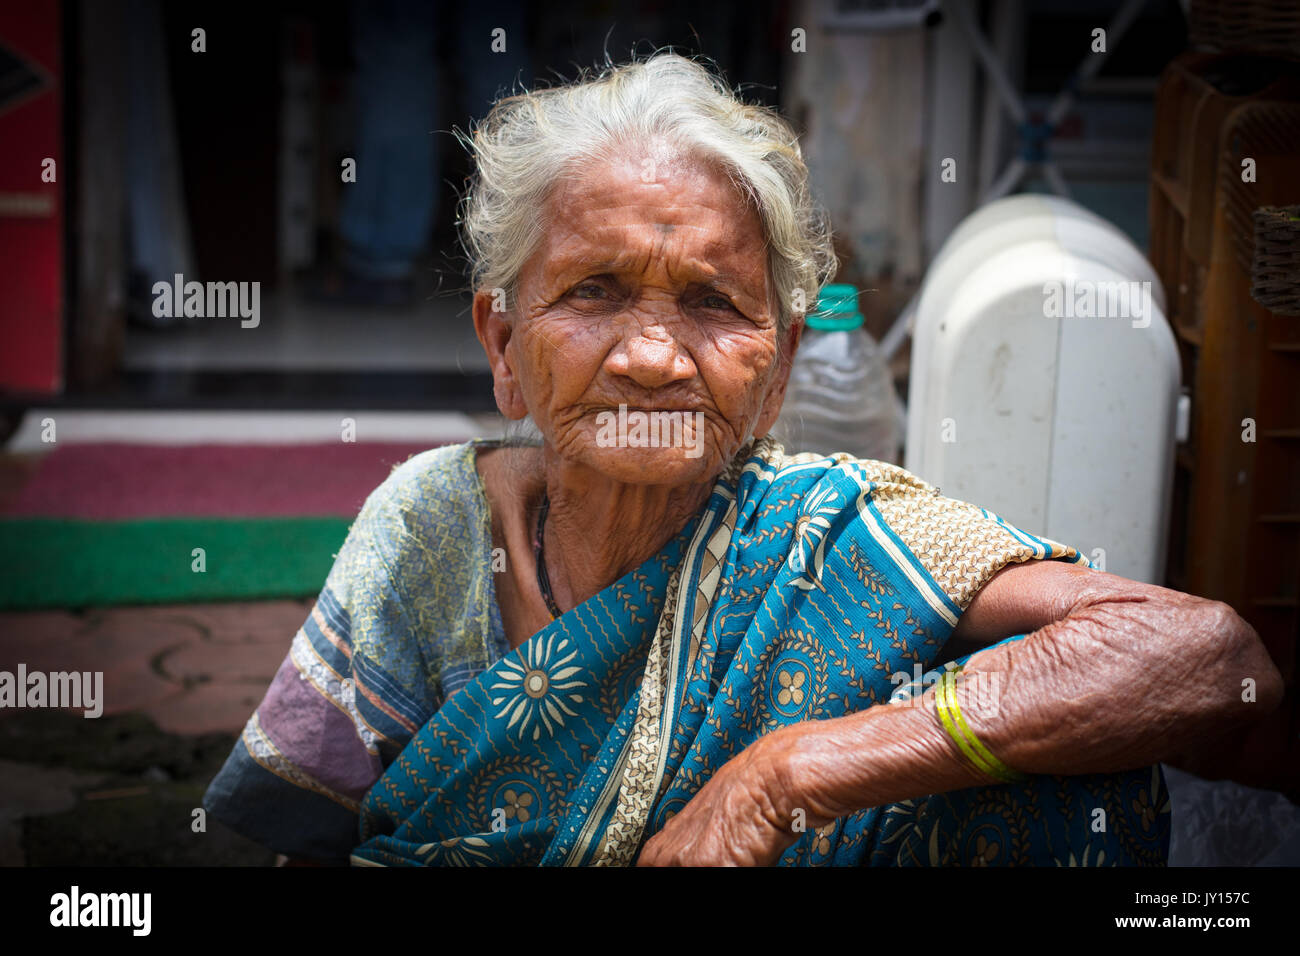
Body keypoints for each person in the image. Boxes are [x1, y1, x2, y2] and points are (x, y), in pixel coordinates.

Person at [203, 53, 1281, 866]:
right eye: (593, 292)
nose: (653, 356)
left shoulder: (831, 530)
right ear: (502, 344)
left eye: (713, 304)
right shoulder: (434, 527)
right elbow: (275, 829)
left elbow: (1211, 655)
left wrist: (786, 772)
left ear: (777, 375)